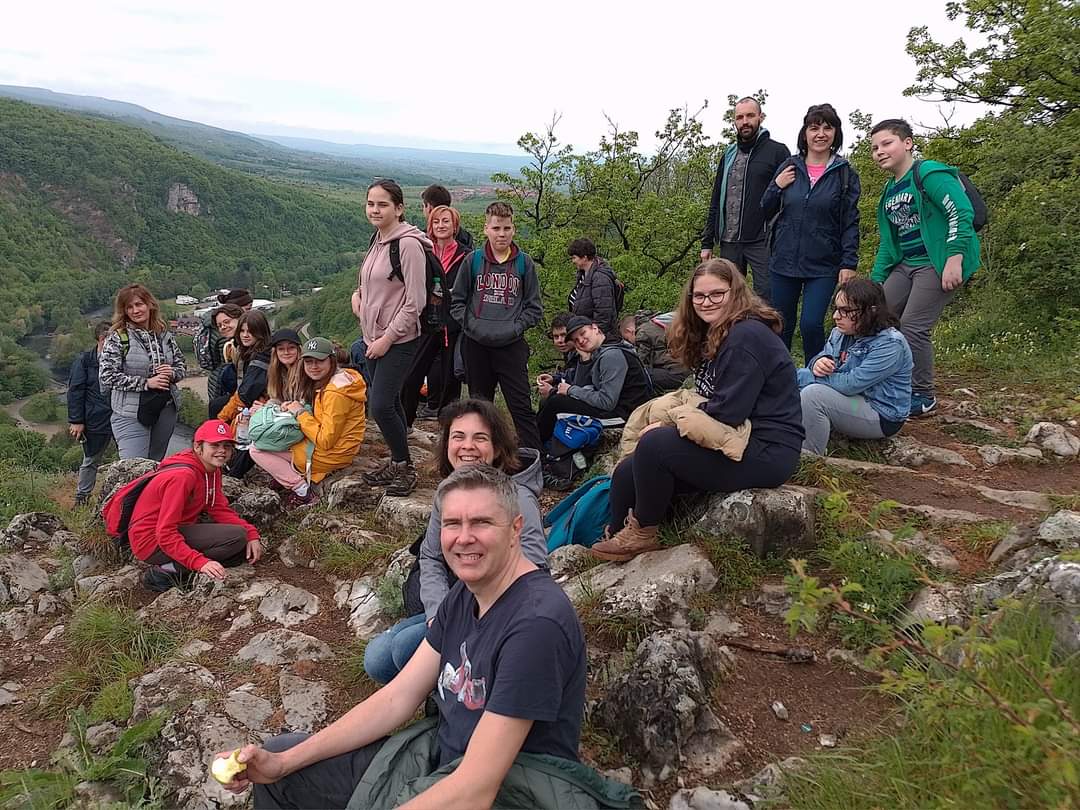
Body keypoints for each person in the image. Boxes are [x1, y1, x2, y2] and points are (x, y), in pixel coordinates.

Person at [221, 465, 598, 810]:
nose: (464, 538)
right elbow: (397, 698)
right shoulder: (467, 593)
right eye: (452, 523)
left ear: (516, 529)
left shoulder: (536, 624)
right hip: (441, 762)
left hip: (511, 793)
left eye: (481, 522)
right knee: (283, 766)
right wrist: (283, 763)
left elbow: (476, 789)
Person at [591, 259, 804, 562]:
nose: (707, 302)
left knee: (654, 445)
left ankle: (643, 535)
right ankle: (617, 535)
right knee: (628, 470)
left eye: (717, 294)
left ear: (735, 293)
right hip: (734, 437)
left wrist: (670, 425)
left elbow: (727, 411)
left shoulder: (745, 336)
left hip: (765, 449)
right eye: (699, 296)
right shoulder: (719, 332)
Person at [364, 399, 548, 684]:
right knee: (377, 659)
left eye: (480, 438)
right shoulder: (449, 491)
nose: (467, 446)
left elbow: (536, 569)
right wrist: (437, 613)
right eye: (458, 436)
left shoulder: (517, 498)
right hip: (455, 600)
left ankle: (452, 694)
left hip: (495, 611)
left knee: (403, 649)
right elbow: (431, 556)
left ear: (497, 447)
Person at [869, 118, 981, 417]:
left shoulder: (928, 173)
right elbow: (889, 243)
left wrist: (954, 257)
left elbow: (960, 211)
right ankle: (884, 380)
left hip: (936, 263)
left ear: (907, 143)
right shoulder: (889, 191)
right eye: (875, 148)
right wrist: (875, 283)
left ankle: (922, 394)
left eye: (887, 143)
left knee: (912, 327)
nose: (880, 151)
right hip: (906, 264)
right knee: (875, 315)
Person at [762, 103, 861, 363]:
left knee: (811, 324)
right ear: (804, 133)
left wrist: (849, 262)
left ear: (836, 134)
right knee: (780, 324)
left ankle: (816, 375)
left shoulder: (845, 174)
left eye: (828, 128)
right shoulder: (789, 167)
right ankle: (778, 376)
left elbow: (850, 221)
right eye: (814, 128)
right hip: (784, 261)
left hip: (823, 264)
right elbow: (765, 208)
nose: (820, 134)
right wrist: (776, 186)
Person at [121, 419, 263, 592]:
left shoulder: (211, 470)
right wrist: (199, 562)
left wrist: (251, 533)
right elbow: (165, 532)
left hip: (174, 531)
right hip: (151, 542)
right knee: (236, 538)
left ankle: (178, 566)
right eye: (215, 445)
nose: (222, 451)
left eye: (227, 446)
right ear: (198, 446)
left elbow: (217, 508)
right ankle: (166, 571)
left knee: (240, 545)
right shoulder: (183, 476)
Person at [354, 179, 428, 497]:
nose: (375, 209)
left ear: (399, 208)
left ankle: (405, 467)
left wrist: (387, 338)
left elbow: (415, 301)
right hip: (372, 336)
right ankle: (398, 462)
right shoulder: (378, 239)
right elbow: (371, 284)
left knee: (381, 405)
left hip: (398, 339)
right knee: (392, 401)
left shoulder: (407, 245)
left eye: (382, 204)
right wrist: (358, 299)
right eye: (371, 203)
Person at [450, 202, 544, 451]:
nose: (501, 234)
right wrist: (472, 327)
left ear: (514, 229)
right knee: (480, 408)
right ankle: (480, 457)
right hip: (476, 345)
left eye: (506, 228)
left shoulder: (524, 264)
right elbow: (457, 302)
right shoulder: (473, 261)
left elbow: (534, 308)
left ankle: (534, 458)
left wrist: (515, 328)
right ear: (486, 229)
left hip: (511, 346)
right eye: (496, 228)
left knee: (521, 406)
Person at [249, 337, 366, 509]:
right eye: (308, 361)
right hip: (337, 446)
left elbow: (326, 440)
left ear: (331, 360)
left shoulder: (335, 394)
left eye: (320, 361)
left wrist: (300, 413)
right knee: (275, 441)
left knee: (257, 448)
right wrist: (294, 407)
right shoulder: (340, 379)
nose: (313, 366)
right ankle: (286, 475)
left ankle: (302, 491)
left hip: (332, 453)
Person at [799, 279, 913, 454]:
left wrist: (806, 376)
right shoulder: (840, 332)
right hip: (849, 399)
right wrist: (818, 362)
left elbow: (851, 384)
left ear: (871, 311)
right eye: (836, 309)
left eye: (845, 311)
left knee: (812, 395)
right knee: (789, 381)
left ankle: (808, 457)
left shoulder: (890, 344)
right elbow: (823, 357)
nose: (836, 316)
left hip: (881, 414)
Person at [700, 97, 791, 303]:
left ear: (761, 117)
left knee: (768, 298)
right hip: (729, 241)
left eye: (750, 115)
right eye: (739, 117)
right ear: (734, 121)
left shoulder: (778, 152)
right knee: (728, 298)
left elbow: (789, 199)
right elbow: (716, 200)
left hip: (763, 241)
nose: (745, 121)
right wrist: (707, 243)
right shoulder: (728, 155)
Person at [98, 283, 186, 461]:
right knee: (133, 466)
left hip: (164, 408)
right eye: (129, 307)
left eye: (139, 304)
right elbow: (106, 376)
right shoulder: (118, 337)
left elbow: (181, 366)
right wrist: (146, 383)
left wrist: (172, 372)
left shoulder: (163, 334)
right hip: (130, 412)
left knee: (155, 464)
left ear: (150, 304)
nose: (135, 310)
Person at [401, 205, 469, 426]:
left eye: (445, 221)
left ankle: (448, 428)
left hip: (453, 324)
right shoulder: (423, 252)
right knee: (412, 374)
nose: (441, 225)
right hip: (426, 322)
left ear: (455, 226)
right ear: (430, 226)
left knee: (450, 381)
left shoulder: (466, 256)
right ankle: (405, 423)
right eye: (436, 221)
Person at [535, 316, 652, 442]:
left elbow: (606, 402)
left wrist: (570, 390)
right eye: (576, 340)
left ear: (595, 328)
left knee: (556, 403)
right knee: (553, 400)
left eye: (583, 333)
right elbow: (580, 386)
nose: (581, 340)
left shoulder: (611, 355)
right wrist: (584, 361)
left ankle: (536, 444)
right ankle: (537, 440)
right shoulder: (600, 351)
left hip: (627, 415)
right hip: (615, 409)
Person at [217, 310, 272, 479]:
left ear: (260, 332)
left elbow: (246, 393)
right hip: (261, 402)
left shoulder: (261, 356)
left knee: (245, 429)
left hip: (268, 404)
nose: (245, 335)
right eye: (242, 331)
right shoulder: (252, 352)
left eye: (251, 331)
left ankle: (232, 474)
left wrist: (222, 418)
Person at [67, 321, 114, 505]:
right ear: (102, 339)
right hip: (96, 418)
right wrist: (77, 420)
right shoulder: (85, 361)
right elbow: (75, 391)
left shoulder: (121, 358)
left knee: (130, 458)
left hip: (122, 416)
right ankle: (82, 498)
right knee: (91, 459)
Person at [195, 290, 252, 415]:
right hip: (224, 386)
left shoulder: (211, 325)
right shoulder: (228, 340)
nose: (249, 313)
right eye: (248, 309)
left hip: (215, 380)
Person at [567, 238, 619, 336]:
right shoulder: (583, 276)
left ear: (584, 257)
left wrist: (593, 337)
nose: (573, 261)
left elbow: (603, 314)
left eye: (574, 257)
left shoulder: (600, 279)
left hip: (598, 338)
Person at [634, 311, 691, 393]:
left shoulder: (643, 332)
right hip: (687, 370)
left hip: (675, 372)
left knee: (640, 375)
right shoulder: (664, 321)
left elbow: (641, 360)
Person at [206, 304, 243, 416]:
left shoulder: (246, 345)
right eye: (219, 325)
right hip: (238, 394)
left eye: (227, 322)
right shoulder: (233, 346)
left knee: (216, 407)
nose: (223, 327)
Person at [421, 183, 474, 249]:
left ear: (429, 207)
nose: (440, 226)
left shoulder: (422, 239)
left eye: (423, 206)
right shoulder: (466, 238)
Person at [266, 328, 303, 402]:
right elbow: (276, 399)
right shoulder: (276, 373)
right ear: (275, 352)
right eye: (281, 349)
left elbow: (307, 402)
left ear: (298, 349)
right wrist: (265, 406)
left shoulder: (305, 371)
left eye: (291, 347)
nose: (286, 352)